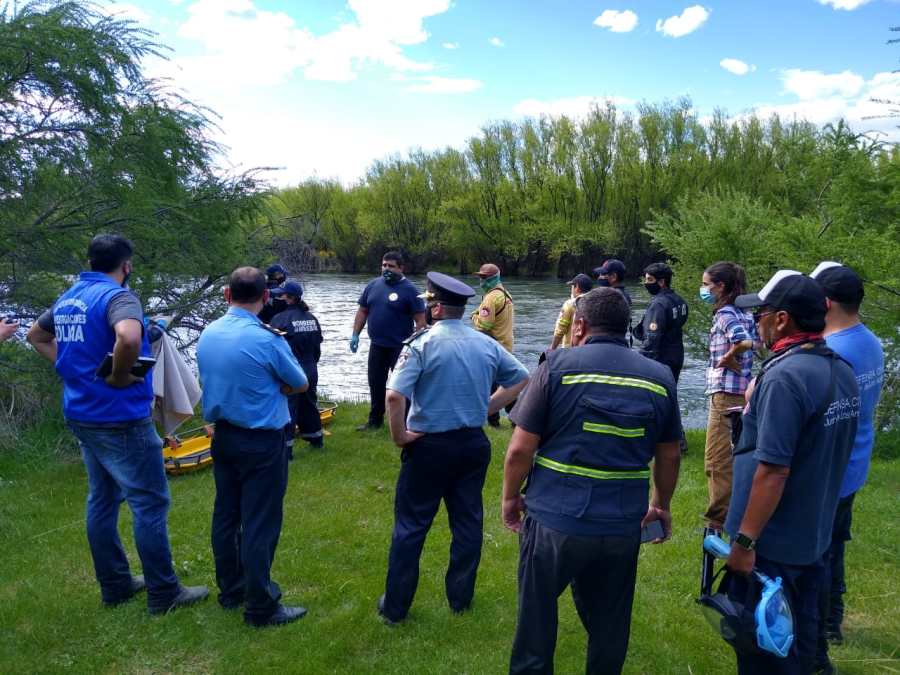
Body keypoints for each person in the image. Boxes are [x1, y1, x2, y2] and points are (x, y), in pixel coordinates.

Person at [502, 287, 682, 675]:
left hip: (554, 521)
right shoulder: (660, 377)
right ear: (625, 326)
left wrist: (510, 498)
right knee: (610, 620)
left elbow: (519, 450)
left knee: (536, 616)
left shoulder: (556, 366)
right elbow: (670, 454)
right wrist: (661, 505)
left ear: (580, 325)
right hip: (622, 523)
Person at [26, 234, 208, 614]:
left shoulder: (70, 297)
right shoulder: (119, 297)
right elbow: (127, 336)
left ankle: (115, 585)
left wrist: (73, 369)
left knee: (103, 499)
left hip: (82, 415)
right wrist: (119, 375)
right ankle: (164, 592)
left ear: (90, 261)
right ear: (126, 266)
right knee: (149, 502)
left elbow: (36, 336)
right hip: (120, 417)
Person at [724, 270, 858, 674]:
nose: (755, 323)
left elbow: (773, 471)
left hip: (773, 545)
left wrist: (744, 542)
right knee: (797, 643)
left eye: (760, 314)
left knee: (763, 650)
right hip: (811, 536)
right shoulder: (841, 369)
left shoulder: (785, 377)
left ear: (782, 319)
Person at [378, 272, 529, 625]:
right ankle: (460, 599)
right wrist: (486, 408)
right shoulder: (485, 343)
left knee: (411, 525)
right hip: (472, 444)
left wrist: (400, 436)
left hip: (428, 446)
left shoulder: (421, 343)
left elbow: (394, 396)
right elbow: (522, 377)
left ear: (436, 308)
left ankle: (396, 607)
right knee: (467, 522)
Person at [197, 267, 309, 627]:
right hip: (261, 441)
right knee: (260, 521)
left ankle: (231, 589)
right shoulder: (267, 339)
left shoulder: (209, 333)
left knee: (226, 516)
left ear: (227, 295)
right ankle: (260, 605)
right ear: (265, 297)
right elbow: (300, 383)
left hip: (224, 436)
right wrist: (277, 386)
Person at [810, 262, 884, 670]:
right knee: (836, 544)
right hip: (855, 461)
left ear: (825, 302)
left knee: (818, 553)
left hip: (829, 468)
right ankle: (833, 620)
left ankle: (820, 627)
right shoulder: (870, 341)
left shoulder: (832, 352)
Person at [699, 262, 757, 532]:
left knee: (717, 460)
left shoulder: (725, 313)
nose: (703, 289)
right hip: (741, 392)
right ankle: (737, 512)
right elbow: (757, 343)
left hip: (725, 394)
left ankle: (718, 521)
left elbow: (743, 341)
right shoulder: (746, 312)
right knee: (737, 456)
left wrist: (729, 356)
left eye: (706, 284)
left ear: (720, 286)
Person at [350, 251, 426, 431]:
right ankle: (375, 421)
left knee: (401, 386)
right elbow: (362, 311)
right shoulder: (373, 285)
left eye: (391, 266)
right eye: (384, 265)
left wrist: (416, 345)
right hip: (377, 345)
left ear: (401, 268)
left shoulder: (410, 290)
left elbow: (420, 321)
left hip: (400, 348)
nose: (386, 269)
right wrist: (355, 334)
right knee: (375, 383)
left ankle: (407, 423)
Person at [270, 281, 324, 454]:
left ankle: (286, 449)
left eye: (281, 295)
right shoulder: (311, 318)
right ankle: (316, 439)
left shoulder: (279, 319)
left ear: (290, 298)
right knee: (309, 403)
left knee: (287, 407)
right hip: (310, 367)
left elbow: (271, 349)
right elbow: (317, 347)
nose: (278, 298)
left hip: (290, 369)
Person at [472, 263, 516, 426]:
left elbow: (484, 325)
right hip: (506, 345)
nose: (481, 280)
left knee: (491, 386)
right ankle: (516, 418)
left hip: (493, 347)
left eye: (484, 277)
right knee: (506, 384)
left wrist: (474, 316)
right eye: (480, 277)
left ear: (493, 278)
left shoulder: (490, 298)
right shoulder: (505, 294)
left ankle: (494, 421)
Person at [634, 262, 688, 380]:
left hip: (660, 360)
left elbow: (652, 338)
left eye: (650, 279)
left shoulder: (658, 304)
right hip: (677, 356)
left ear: (661, 282)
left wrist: (639, 364)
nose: (646, 283)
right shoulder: (680, 300)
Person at [549, 273, 593, 350]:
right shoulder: (595, 302)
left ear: (577, 287)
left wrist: (551, 349)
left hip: (570, 349)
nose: (571, 290)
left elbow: (560, 330)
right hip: (588, 348)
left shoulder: (569, 304)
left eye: (572, 286)